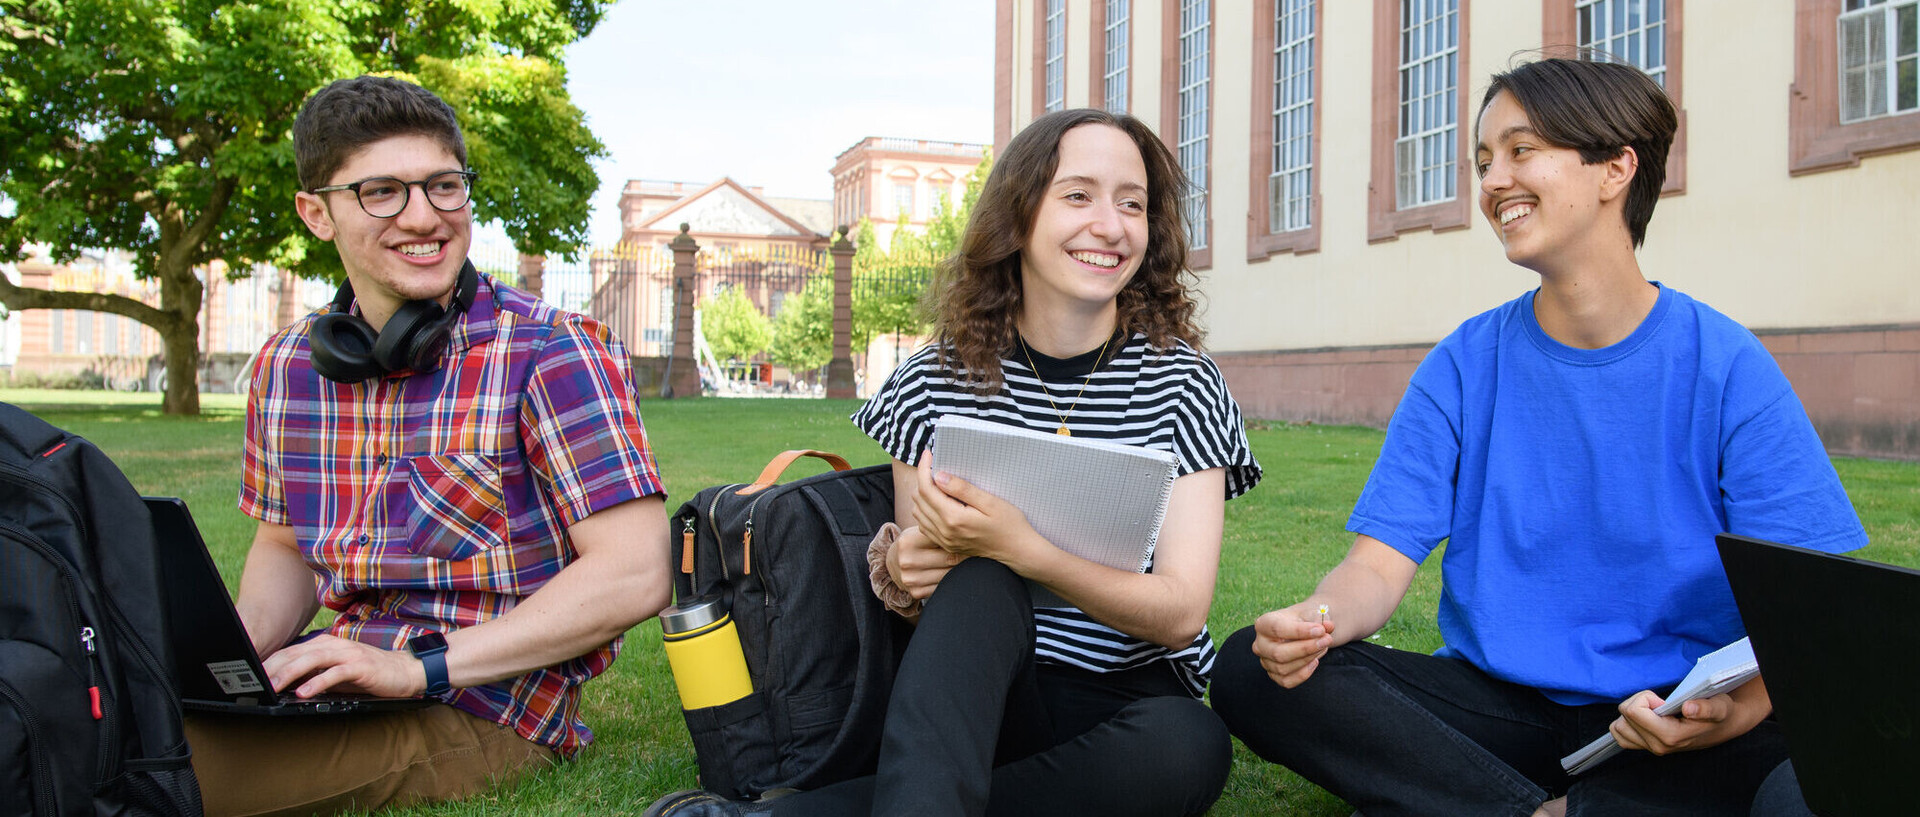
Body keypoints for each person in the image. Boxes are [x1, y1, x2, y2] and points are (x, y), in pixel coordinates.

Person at [1209, 57, 1867, 817]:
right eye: (1485, 161)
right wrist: (1312, 623)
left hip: (1670, 721)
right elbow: (1375, 569)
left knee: (1814, 783)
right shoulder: (1464, 362)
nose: (1493, 181)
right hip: (1501, 714)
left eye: (1522, 151)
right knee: (1252, 672)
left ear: (1615, 167)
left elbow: (1807, 617)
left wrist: (1744, 708)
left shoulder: (1726, 366)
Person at [644, 108, 1261, 817]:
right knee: (980, 578)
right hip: (980, 696)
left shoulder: (1184, 382)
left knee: (1190, 743)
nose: (1112, 224)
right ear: (1019, 215)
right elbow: (925, 594)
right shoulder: (934, 379)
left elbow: (1182, 613)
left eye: (1133, 202)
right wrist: (907, 568)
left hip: (1126, 701)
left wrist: (1028, 548)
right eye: (1079, 195)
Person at [185, 76, 672, 816]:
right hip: (343, 680)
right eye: (382, 191)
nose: (425, 216)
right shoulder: (286, 368)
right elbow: (284, 546)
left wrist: (417, 668)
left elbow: (635, 573)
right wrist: (227, 665)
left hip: (485, 706)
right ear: (317, 213)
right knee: (121, 724)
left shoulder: (553, 351)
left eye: (444, 186)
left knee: (175, 773)